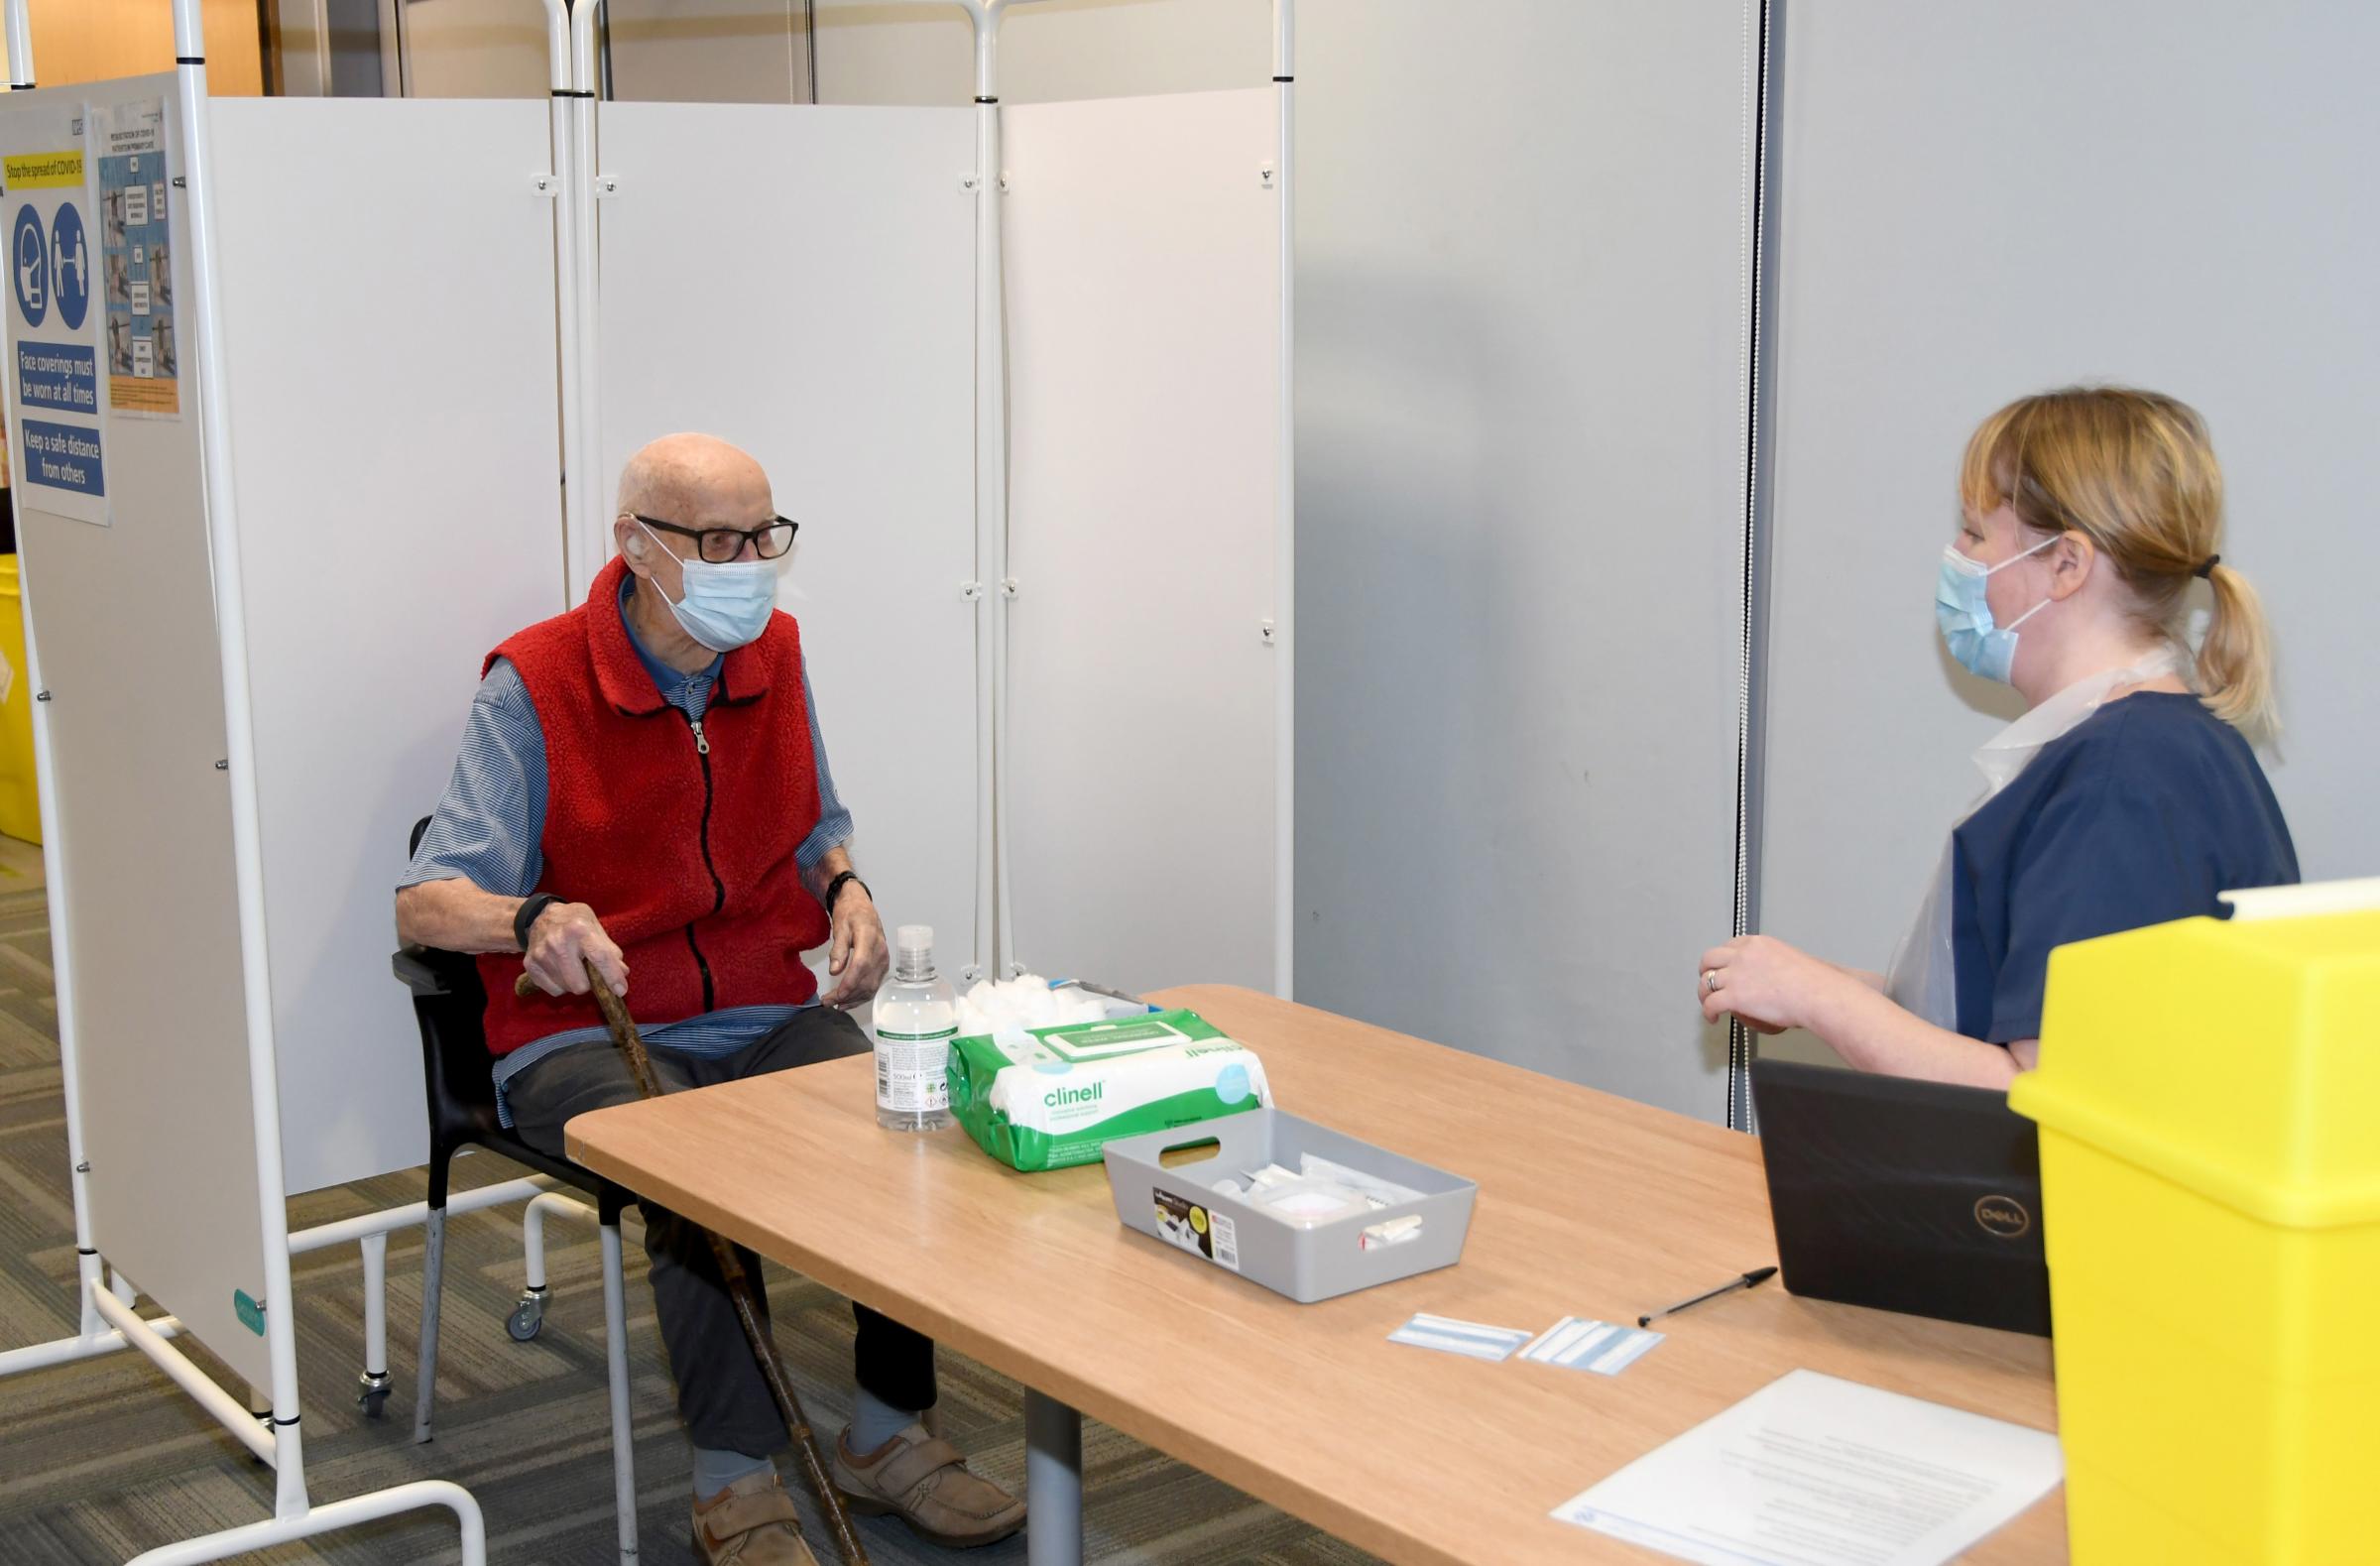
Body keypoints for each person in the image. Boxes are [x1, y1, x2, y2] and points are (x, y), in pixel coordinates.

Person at [396, 433, 1024, 1563]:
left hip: (755, 1008)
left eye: (764, 535)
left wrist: (848, 892)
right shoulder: (534, 683)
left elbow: (815, 827)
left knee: (903, 1120)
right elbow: (427, 899)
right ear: (634, 545)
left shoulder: (773, 653)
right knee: (693, 1171)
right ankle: (735, 1479)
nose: (751, 563)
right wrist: (532, 918)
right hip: (584, 1031)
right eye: (720, 540)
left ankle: (884, 1431)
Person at [1698, 387, 2298, 1088]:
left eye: (1977, 533)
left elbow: (2052, 1098)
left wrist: (1820, 999)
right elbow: (1993, 1015)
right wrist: (1826, 988)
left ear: (2067, 566)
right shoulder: (2148, 748)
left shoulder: (2121, 778)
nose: (1956, 554)